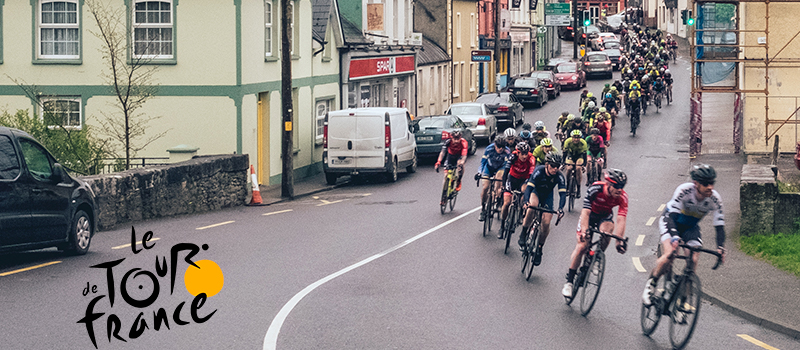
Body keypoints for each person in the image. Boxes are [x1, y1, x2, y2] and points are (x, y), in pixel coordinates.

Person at [642, 164, 726, 305]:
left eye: (712, 183)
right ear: (696, 184)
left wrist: (720, 248)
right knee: (670, 254)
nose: (710, 187)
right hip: (670, 221)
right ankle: (652, 283)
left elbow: (719, 226)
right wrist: (674, 237)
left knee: (693, 259)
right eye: (706, 184)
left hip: (690, 227)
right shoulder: (684, 191)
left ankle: (683, 301)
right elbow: (671, 217)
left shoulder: (715, 199)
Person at [562, 169, 629, 298]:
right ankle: (569, 282)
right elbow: (585, 212)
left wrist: (619, 241)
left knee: (608, 232)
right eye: (616, 186)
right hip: (589, 215)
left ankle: (597, 256)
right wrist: (584, 232)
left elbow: (621, 219)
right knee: (582, 246)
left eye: (622, 187)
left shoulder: (623, 197)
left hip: (605, 216)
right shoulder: (595, 188)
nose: (619, 190)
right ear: (608, 184)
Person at [518, 153, 567, 265]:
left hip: (547, 197)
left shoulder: (559, 176)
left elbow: (562, 194)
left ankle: (539, 248)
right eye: (553, 165)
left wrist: (560, 209)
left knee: (546, 223)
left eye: (557, 166)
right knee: (533, 206)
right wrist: (526, 202)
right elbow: (529, 188)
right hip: (536, 192)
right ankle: (524, 232)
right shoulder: (539, 171)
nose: (555, 168)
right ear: (546, 164)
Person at [498, 142, 536, 239]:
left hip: (524, 180)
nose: (524, 156)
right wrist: (503, 185)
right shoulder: (512, 157)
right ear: (517, 153)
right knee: (506, 203)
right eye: (522, 154)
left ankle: (520, 210)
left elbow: (531, 176)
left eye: (526, 153)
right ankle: (502, 226)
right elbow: (505, 173)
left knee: (524, 191)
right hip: (512, 179)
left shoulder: (531, 159)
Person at [476, 136, 512, 222]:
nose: (500, 149)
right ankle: (483, 208)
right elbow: (483, 162)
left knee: (499, 181)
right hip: (489, 168)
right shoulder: (489, 149)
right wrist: (479, 172)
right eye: (498, 147)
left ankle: (498, 198)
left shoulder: (507, 151)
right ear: (495, 145)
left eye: (502, 147)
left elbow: (507, 165)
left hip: (500, 168)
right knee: (485, 187)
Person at [435, 129, 469, 195]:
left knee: (460, 164)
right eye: (454, 138)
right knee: (445, 176)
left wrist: (462, 162)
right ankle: (444, 194)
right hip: (450, 156)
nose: (456, 141)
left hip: (459, 157)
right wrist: (438, 162)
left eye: (458, 139)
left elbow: (464, 155)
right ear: (451, 137)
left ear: (460, 138)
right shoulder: (448, 141)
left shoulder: (464, 142)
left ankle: (459, 180)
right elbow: (442, 152)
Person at [562, 129, 588, 197]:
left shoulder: (583, 143)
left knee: (578, 168)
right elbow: (564, 153)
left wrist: (584, 165)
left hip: (580, 156)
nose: (576, 139)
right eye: (574, 137)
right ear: (571, 137)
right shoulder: (567, 141)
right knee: (569, 168)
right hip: (571, 155)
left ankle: (578, 189)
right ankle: (568, 186)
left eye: (578, 137)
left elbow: (585, 155)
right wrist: (563, 163)